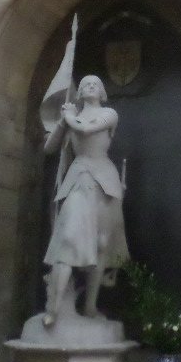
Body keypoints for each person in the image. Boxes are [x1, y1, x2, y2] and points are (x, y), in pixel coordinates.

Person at [42, 75, 129, 326]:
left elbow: (87, 129)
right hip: (79, 178)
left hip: (104, 180)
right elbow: (49, 147)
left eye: (95, 84)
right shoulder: (71, 117)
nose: (90, 86)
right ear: (78, 92)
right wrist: (61, 121)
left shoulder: (109, 113)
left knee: (101, 244)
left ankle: (90, 306)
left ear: (102, 92)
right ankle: (54, 308)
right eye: (85, 84)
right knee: (68, 239)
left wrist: (70, 118)